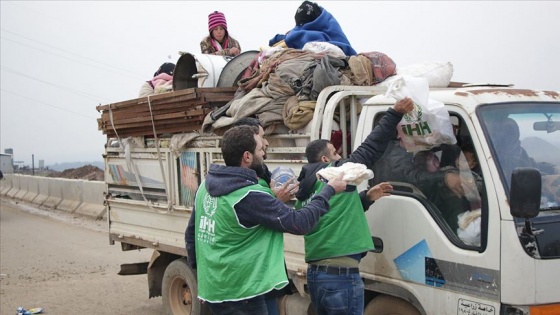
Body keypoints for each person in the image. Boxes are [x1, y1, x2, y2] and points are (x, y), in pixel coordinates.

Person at [185, 125, 348, 315]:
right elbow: (300, 222)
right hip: (243, 294)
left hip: (215, 289)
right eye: (261, 150)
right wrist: (328, 190)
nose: (264, 154)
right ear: (247, 157)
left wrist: (205, 276)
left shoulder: (205, 185)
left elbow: (191, 236)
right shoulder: (249, 195)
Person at [294, 97, 413, 315]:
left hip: (317, 276)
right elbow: (371, 148)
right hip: (340, 277)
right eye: (336, 153)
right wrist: (395, 113)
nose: (341, 157)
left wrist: (365, 199)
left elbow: (327, 214)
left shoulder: (305, 189)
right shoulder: (337, 173)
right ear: (325, 159)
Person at [232, 117, 296, 315]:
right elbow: (297, 223)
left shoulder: (260, 174)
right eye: (262, 137)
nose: (266, 143)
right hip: (253, 277)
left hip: (264, 273)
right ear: (248, 152)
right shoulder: (245, 189)